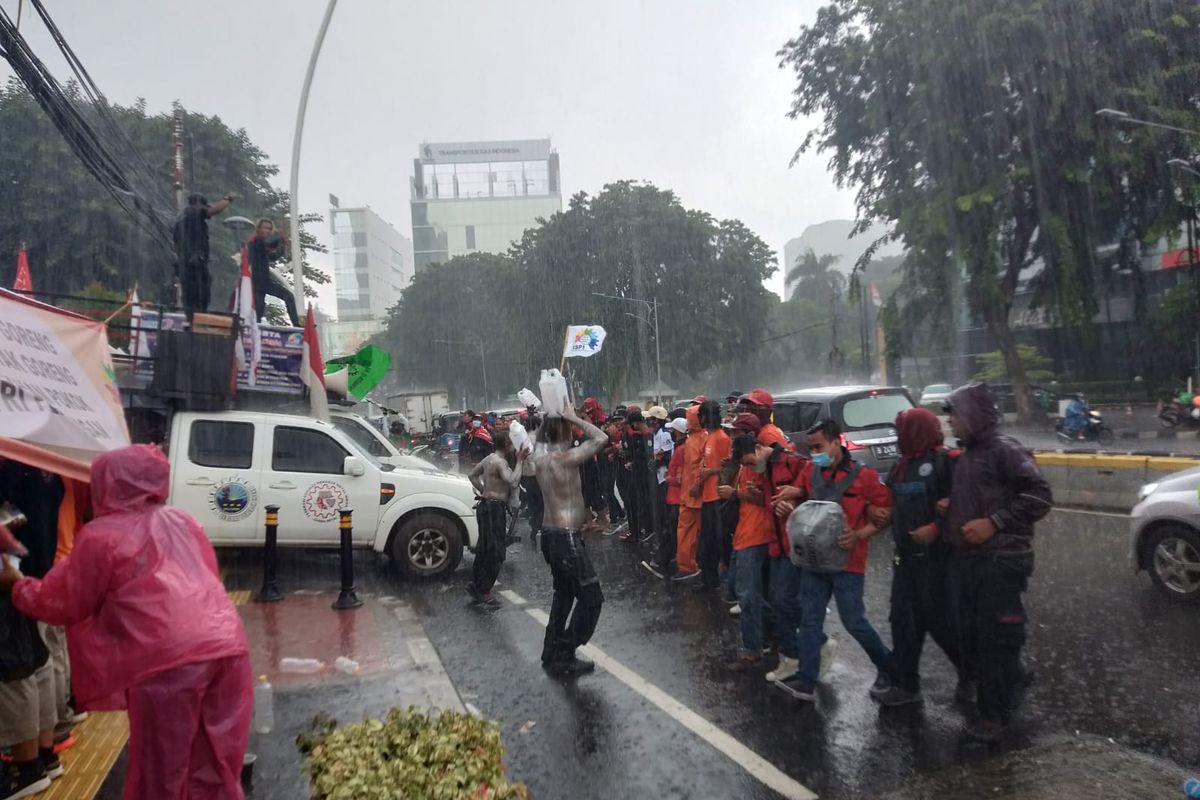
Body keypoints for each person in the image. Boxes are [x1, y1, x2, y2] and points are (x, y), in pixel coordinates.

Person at [2, 444, 252, 799]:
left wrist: (17, 585)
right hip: (227, 647)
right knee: (214, 764)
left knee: (160, 772)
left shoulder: (102, 536)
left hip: (167, 663)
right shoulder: (181, 520)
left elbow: (63, 602)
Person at [943, 383, 1052, 743]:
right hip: (973, 561)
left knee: (996, 640)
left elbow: (1040, 495)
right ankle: (1010, 683)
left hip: (1001, 561)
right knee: (976, 636)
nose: (950, 423)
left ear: (972, 416)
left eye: (954, 415)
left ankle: (996, 717)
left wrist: (994, 523)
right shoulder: (971, 453)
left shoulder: (1004, 450)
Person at [771, 419, 895, 702]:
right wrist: (787, 506)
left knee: (854, 621)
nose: (814, 452)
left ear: (836, 443)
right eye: (810, 447)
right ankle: (806, 680)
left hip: (847, 563)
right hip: (813, 562)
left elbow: (886, 513)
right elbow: (801, 503)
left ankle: (889, 668)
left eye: (819, 446)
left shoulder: (864, 476)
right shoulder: (810, 471)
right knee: (810, 620)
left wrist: (861, 533)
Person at [874, 408, 962, 707]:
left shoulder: (946, 462)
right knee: (902, 621)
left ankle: (976, 675)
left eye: (904, 430)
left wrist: (937, 528)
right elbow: (890, 501)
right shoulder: (901, 465)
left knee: (943, 624)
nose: (900, 437)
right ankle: (907, 685)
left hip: (937, 560)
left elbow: (965, 507)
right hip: (906, 560)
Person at [0, 459, 65, 798]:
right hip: (39, 569)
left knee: (16, 671)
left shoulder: (10, 472)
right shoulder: (45, 469)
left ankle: (27, 768)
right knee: (36, 662)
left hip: (12, 578)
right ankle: (42, 756)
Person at [532, 399, 610, 676]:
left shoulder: (539, 458)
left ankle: (551, 651)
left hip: (550, 537)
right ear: (565, 434)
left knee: (563, 596)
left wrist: (547, 417)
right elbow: (602, 437)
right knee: (592, 598)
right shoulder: (567, 459)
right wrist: (574, 417)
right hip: (565, 538)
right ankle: (565, 651)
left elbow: (541, 438)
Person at [720, 436, 778, 670]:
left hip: (755, 535)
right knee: (748, 590)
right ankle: (770, 636)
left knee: (747, 593)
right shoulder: (746, 464)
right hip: (746, 532)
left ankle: (753, 649)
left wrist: (735, 495)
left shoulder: (761, 464)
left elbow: (766, 498)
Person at [467, 431, 529, 607]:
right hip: (494, 510)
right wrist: (520, 461)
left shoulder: (488, 459)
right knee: (497, 552)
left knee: (484, 548)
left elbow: (472, 475)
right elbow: (513, 481)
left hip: (484, 506)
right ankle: (485, 591)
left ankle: (477, 585)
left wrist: (483, 490)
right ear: (508, 446)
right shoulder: (501, 462)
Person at [173, 192, 234, 317]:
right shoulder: (194, 212)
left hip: (184, 264)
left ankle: (191, 319)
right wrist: (227, 199)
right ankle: (198, 320)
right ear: (198, 204)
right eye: (205, 206)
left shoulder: (181, 219)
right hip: (195, 264)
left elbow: (176, 244)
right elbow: (214, 210)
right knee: (201, 295)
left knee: (189, 298)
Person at [643, 416, 688, 579]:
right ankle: (667, 559)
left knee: (673, 529)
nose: (671, 431)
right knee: (672, 528)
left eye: (674, 429)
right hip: (674, 494)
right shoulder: (681, 446)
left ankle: (667, 560)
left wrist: (671, 477)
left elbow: (681, 475)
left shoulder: (683, 449)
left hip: (676, 494)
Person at [696, 399, 731, 591]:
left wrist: (709, 472)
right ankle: (709, 581)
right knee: (707, 544)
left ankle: (722, 582)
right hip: (708, 497)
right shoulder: (709, 437)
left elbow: (729, 468)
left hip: (718, 498)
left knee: (720, 543)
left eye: (702, 416)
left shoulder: (722, 438)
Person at [245, 218, 300, 326]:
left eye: (270, 229)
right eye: (265, 228)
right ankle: (296, 324)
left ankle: (296, 324)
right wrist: (281, 238)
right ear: (258, 228)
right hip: (258, 281)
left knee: (259, 312)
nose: (268, 231)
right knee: (288, 297)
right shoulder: (255, 241)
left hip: (262, 282)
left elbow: (273, 256)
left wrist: (283, 244)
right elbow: (269, 244)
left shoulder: (261, 245)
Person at [673, 404, 706, 582]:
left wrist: (696, 485)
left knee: (687, 532)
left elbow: (701, 466)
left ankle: (688, 566)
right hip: (693, 495)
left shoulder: (697, 440)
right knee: (692, 532)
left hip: (692, 495)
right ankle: (691, 565)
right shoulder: (697, 438)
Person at [621, 410, 655, 543]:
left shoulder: (646, 435)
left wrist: (634, 464)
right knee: (639, 501)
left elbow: (644, 457)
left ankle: (648, 529)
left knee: (646, 503)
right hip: (639, 474)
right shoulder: (638, 436)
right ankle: (642, 529)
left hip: (645, 475)